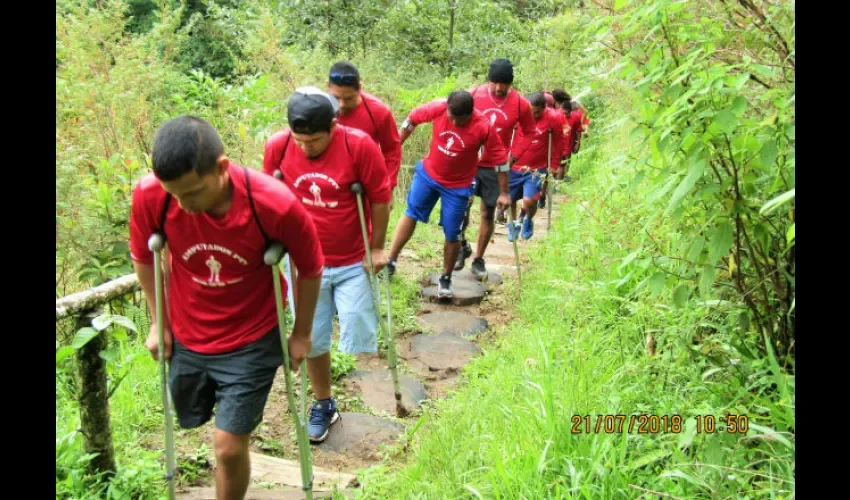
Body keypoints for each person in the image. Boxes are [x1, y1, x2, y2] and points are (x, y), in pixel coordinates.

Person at [129, 115, 324, 499]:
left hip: (252, 336)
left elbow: (310, 266)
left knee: (228, 447)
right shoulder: (152, 194)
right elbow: (143, 256)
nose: (184, 206)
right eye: (175, 195)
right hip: (188, 330)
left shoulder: (274, 204)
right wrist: (158, 322)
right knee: (191, 419)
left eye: (194, 193)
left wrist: (301, 333)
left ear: (221, 168)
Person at [263, 87, 391, 443]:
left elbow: (380, 198)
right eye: (299, 140)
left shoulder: (358, 146)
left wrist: (377, 248)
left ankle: (372, 385)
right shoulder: (278, 146)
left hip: (353, 258)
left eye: (315, 140)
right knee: (314, 338)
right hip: (305, 264)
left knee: (358, 328)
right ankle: (324, 403)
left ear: (334, 125)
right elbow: (270, 195)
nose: (306, 148)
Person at [386, 90, 507, 297]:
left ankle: (445, 278)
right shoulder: (439, 107)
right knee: (411, 213)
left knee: (453, 233)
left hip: (458, 186)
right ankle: (390, 261)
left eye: (458, 120)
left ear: (470, 114)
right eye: (450, 117)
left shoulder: (483, 126)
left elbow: (501, 161)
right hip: (428, 175)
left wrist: (504, 192)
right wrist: (396, 145)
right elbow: (412, 119)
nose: (454, 122)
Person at [457, 58, 535, 277]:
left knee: (487, 213)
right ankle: (462, 245)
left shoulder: (520, 103)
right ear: (488, 80)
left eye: (505, 84)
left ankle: (479, 259)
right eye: (495, 83)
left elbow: (528, 131)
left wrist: (514, 156)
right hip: (469, 162)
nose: (499, 88)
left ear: (511, 83)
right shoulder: (474, 95)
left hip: (496, 167)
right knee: (461, 207)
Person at [325, 61, 402, 200]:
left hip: (362, 185)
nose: (341, 105)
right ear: (327, 87)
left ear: (360, 88)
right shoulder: (318, 108)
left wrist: (388, 187)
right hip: (327, 181)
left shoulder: (378, 112)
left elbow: (392, 151)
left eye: (348, 98)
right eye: (336, 98)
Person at [506, 91, 565, 241]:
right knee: (509, 200)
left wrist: (555, 164)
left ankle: (527, 220)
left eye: (537, 113)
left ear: (544, 108)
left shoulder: (553, 118)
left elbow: (558, 142)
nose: (533, 116)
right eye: (531, 112)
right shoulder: (518, 114)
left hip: (536, 168)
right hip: (514, 166)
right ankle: (513, 224)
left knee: (530, 200)